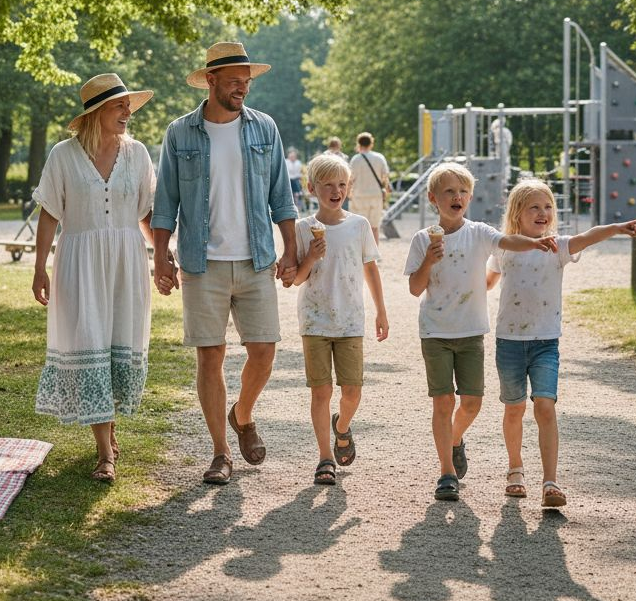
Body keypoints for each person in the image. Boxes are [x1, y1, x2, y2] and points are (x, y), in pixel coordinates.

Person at [152, 41, 298, 486]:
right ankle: (220, 452)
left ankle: (243, 413)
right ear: (211, 80)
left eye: (247, 81)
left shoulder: (264, 128)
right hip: (201, 262)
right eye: (234, 81)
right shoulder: (180, 133)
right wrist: (161, 255)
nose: (243, 89)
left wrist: (290, 249)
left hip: (256, 258)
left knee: (264, 351)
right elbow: (165, 202)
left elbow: (280, 195)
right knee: (210, 357)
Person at [403, 162, 557, 502]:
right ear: (433, 198)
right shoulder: (422, 239)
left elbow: (507, 240)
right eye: (449, 192)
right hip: (436, 332)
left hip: (471, 331)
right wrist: (429, 260)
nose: (457, 197)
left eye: (462, 191)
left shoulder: (479, 232)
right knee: (443, 401)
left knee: (471, 403)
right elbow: (415, 288)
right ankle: (446, 473)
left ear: (469, 197)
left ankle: (455, 439)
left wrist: (535, 243)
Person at [32, 73, 157, 484]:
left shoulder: (138, 154)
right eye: (118, 106)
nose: (127, 112)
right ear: (96, 113)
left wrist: (166, 255)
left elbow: (147, 214)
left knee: (116, 345)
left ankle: (109, 431)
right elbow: (50, 212)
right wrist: (39, 269)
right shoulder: (63, 156)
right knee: (90, 343)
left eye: (127, 106)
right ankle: (105, 453)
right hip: (79, 261)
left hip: (126, 262)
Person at [486, 180, 636, 508]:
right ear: (517, 213)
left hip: (546, 343)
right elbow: (486, 281)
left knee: (545, 407)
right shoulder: (504, 248)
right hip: (510, 342)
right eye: (534, 207)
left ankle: (550, 482)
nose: (543, 213)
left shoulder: (558, 247)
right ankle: (515, 470)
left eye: (547, 208)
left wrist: (614, 228)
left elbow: (588, 236)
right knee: (514, 409)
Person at [291, 154, 387, 486]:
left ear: (350, 186)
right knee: (321, 391)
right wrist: (311, 258)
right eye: (328, 185)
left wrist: (382, 311)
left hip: (350, 321)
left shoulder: (358, 225)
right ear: (311, 187)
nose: (336, 191)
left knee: (352, 391)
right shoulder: (303, 229)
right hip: (315, 321)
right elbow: (297, 280)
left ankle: (342, 426)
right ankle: (324, 458)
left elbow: (371, 269)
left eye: (342, 184)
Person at [348, 132, 390, 243]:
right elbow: (385, 177)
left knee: (359, 227)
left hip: (359, 196)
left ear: (358, 144)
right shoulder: (379, 158)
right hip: (376, 195)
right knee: (374, 227)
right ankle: (374, 256)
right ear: (371, 144)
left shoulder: (355, 159)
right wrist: (384, 190)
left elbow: (350, 179)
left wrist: (349, 194)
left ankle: (360, 253)